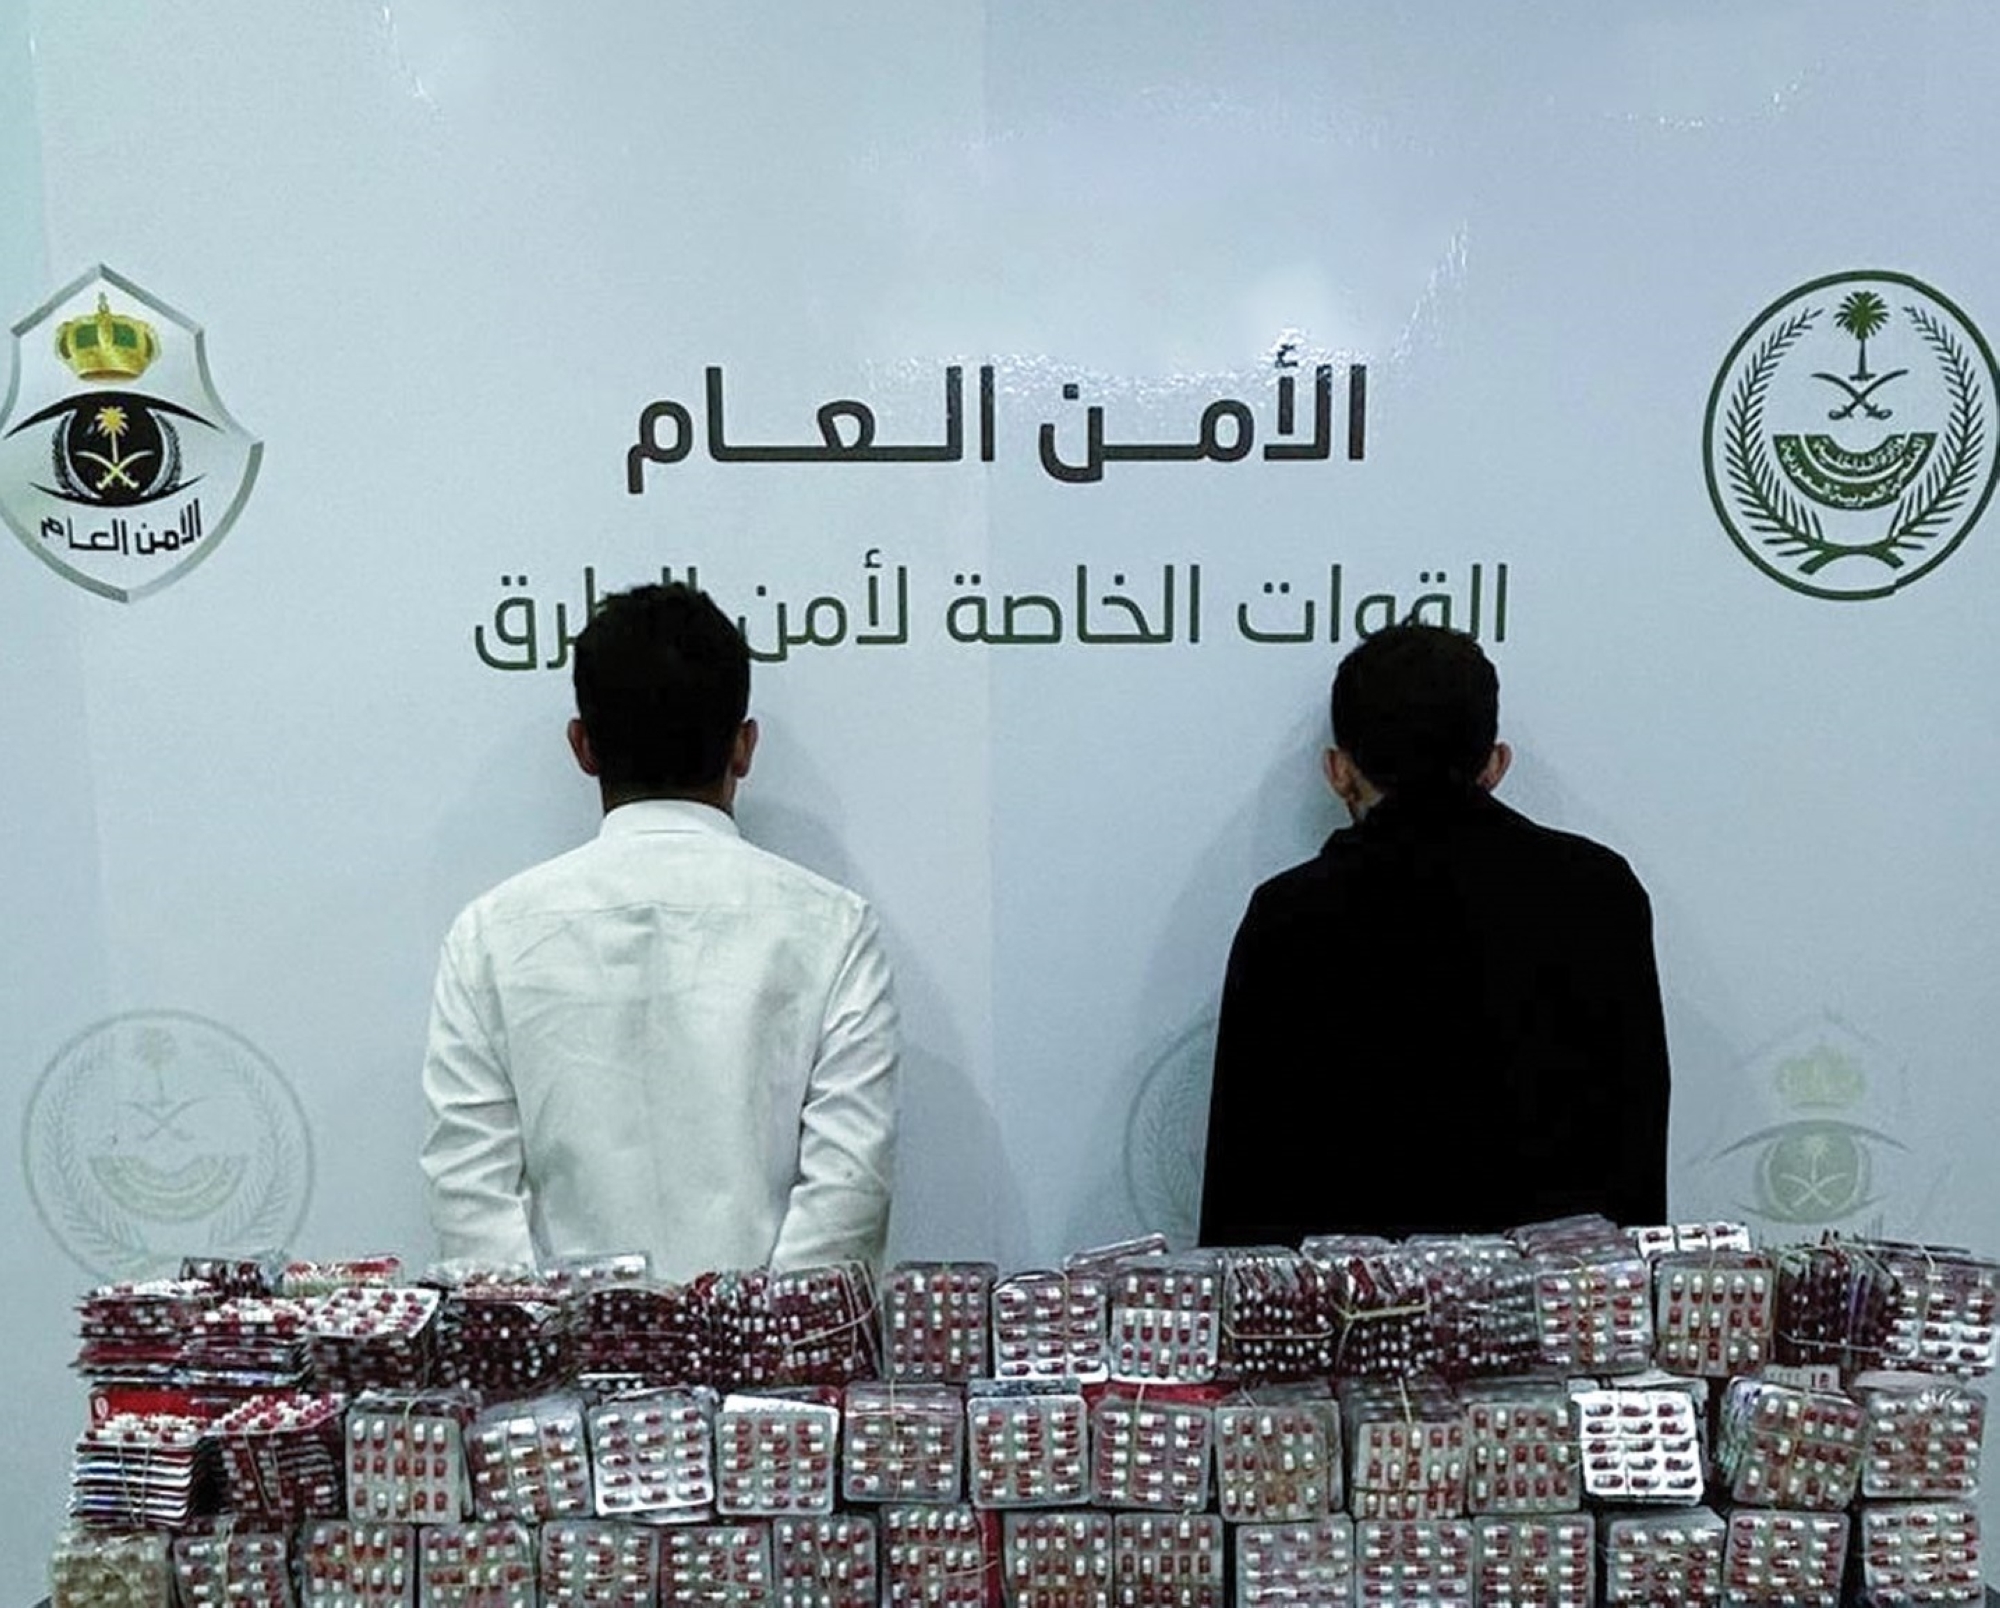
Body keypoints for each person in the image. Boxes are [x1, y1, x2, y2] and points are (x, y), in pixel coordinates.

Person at [421, 581, 898, 1282]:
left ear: (583, 746)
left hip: (561, 1350)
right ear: (744, 747)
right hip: (774, 1351)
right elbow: (846, 1197)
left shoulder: (489, 936)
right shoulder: (833, 929)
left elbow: (473, 1206)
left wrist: (563, 1339)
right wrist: (757, 1339)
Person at [1198, 623, 1669, 1245]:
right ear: (1495, 764)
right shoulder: (1601, 895)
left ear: (1339, 771)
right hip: (1557, 1296)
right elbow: (1636, 1144)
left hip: (1355, 1302)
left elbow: (1246, 1178)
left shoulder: (1289, 917)